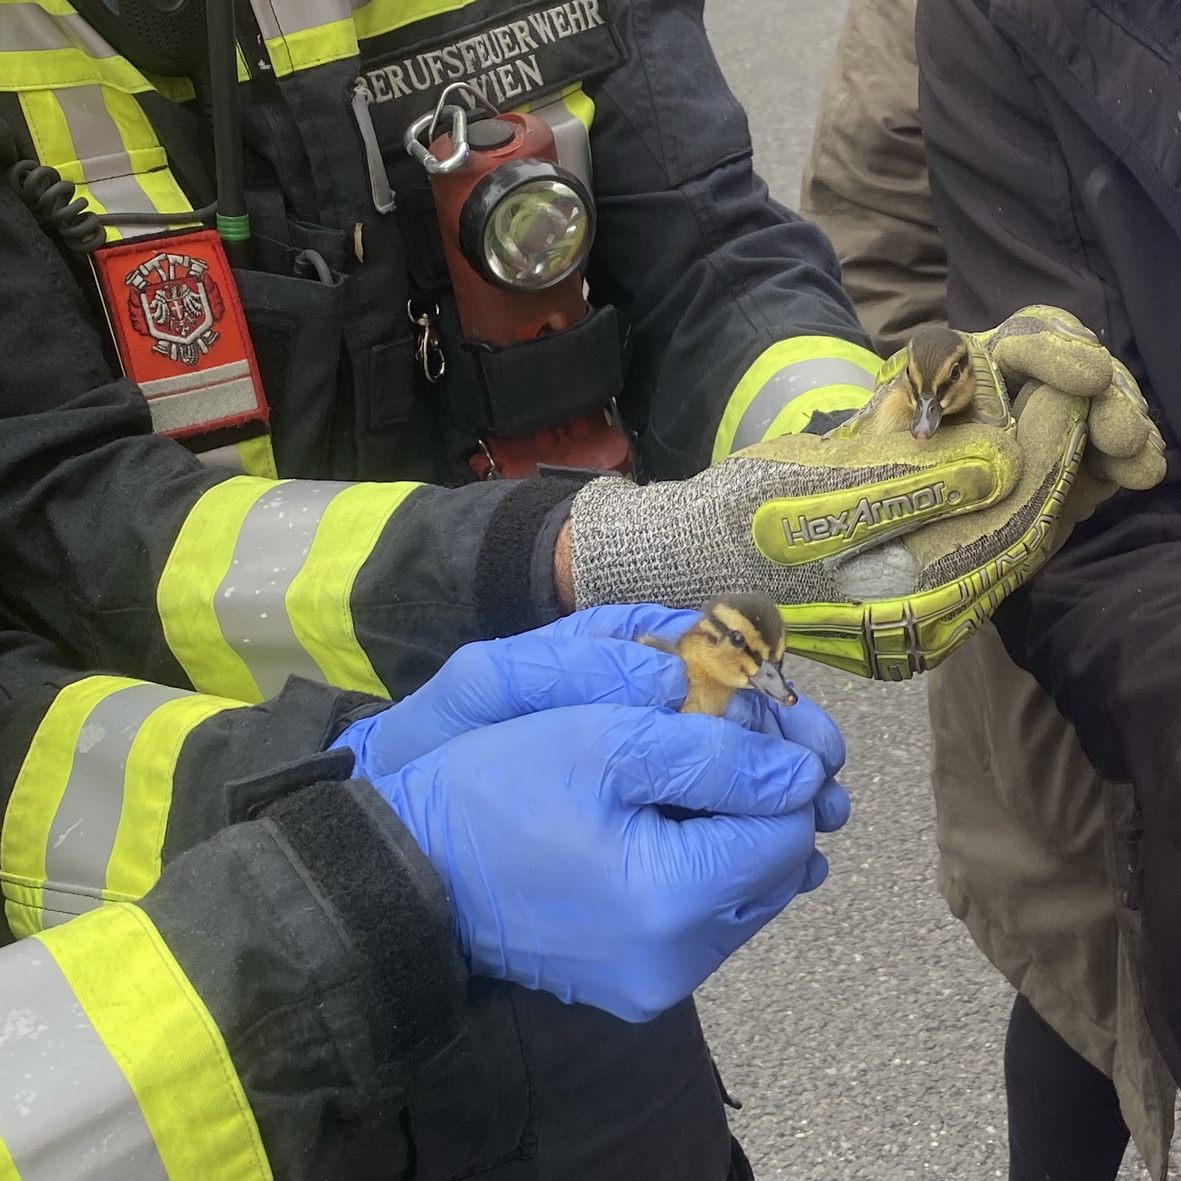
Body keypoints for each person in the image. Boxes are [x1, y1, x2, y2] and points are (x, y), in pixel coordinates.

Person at [0, 0, 1161, 1176]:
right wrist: (589, 562)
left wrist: (845, 441)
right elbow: (63, 517)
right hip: (158, 1004)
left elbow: (703, 245)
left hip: (575, 888)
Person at [801, 2, 1180, 1179]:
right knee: (1085, 943)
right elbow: (874, 271)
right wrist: (994, 457)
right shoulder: (942, 29)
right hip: (1048, 528)